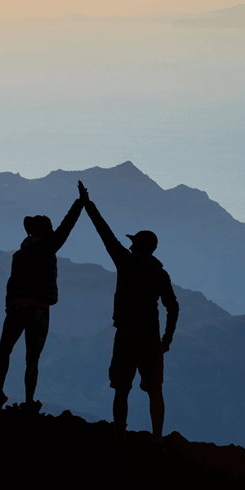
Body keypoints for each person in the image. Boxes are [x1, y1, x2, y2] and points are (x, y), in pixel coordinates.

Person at [78, 180, 179, 448]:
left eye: (134, 242)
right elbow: (173, 306)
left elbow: (105, 233)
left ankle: (120, 440)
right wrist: (166, 340)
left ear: (137, 246)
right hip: (151, 337)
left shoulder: (125, 261)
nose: (131, 245)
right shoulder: (160, 273)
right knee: (155, 392)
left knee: (121, 390)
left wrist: (88, 204)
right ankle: (157, 442)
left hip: (126, 335)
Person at [0, 191, 84, 413]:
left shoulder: (19, 255)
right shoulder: (50, 245)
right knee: (32, 358)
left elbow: (11, 283)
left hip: (16, 307)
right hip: (39, 310)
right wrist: (79, 203)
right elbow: (66, 227)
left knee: (4, 351)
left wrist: (9, 306)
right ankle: (29, 402)